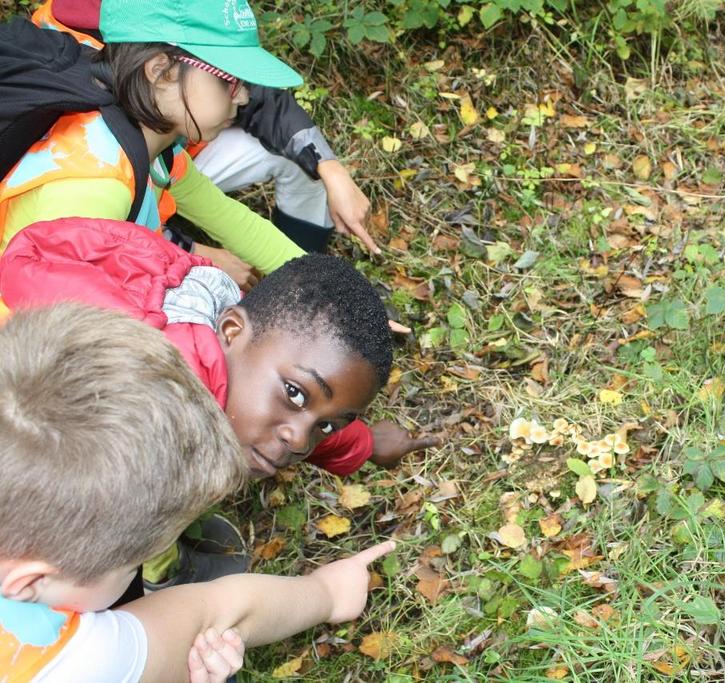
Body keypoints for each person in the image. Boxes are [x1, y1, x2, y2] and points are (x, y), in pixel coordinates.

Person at [0, 216, 437, 588]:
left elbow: (306, 414)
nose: (298, 441)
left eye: (328, 423)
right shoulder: (147, 421)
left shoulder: (227, 342)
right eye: (294, 394)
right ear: (230, 331)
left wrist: (364, 445)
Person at [0, 303, 395, 682]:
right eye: (132, 565)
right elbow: (216, 614)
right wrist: (327, 592)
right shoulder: (72, 661)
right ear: (27, 582)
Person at [32, 0, 377, 259]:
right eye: (231, 83)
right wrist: (196, 256)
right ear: (159, 71)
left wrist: (328, 294)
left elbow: (233, 220)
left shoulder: (158, 149)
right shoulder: (95, 183)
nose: (244, 95)